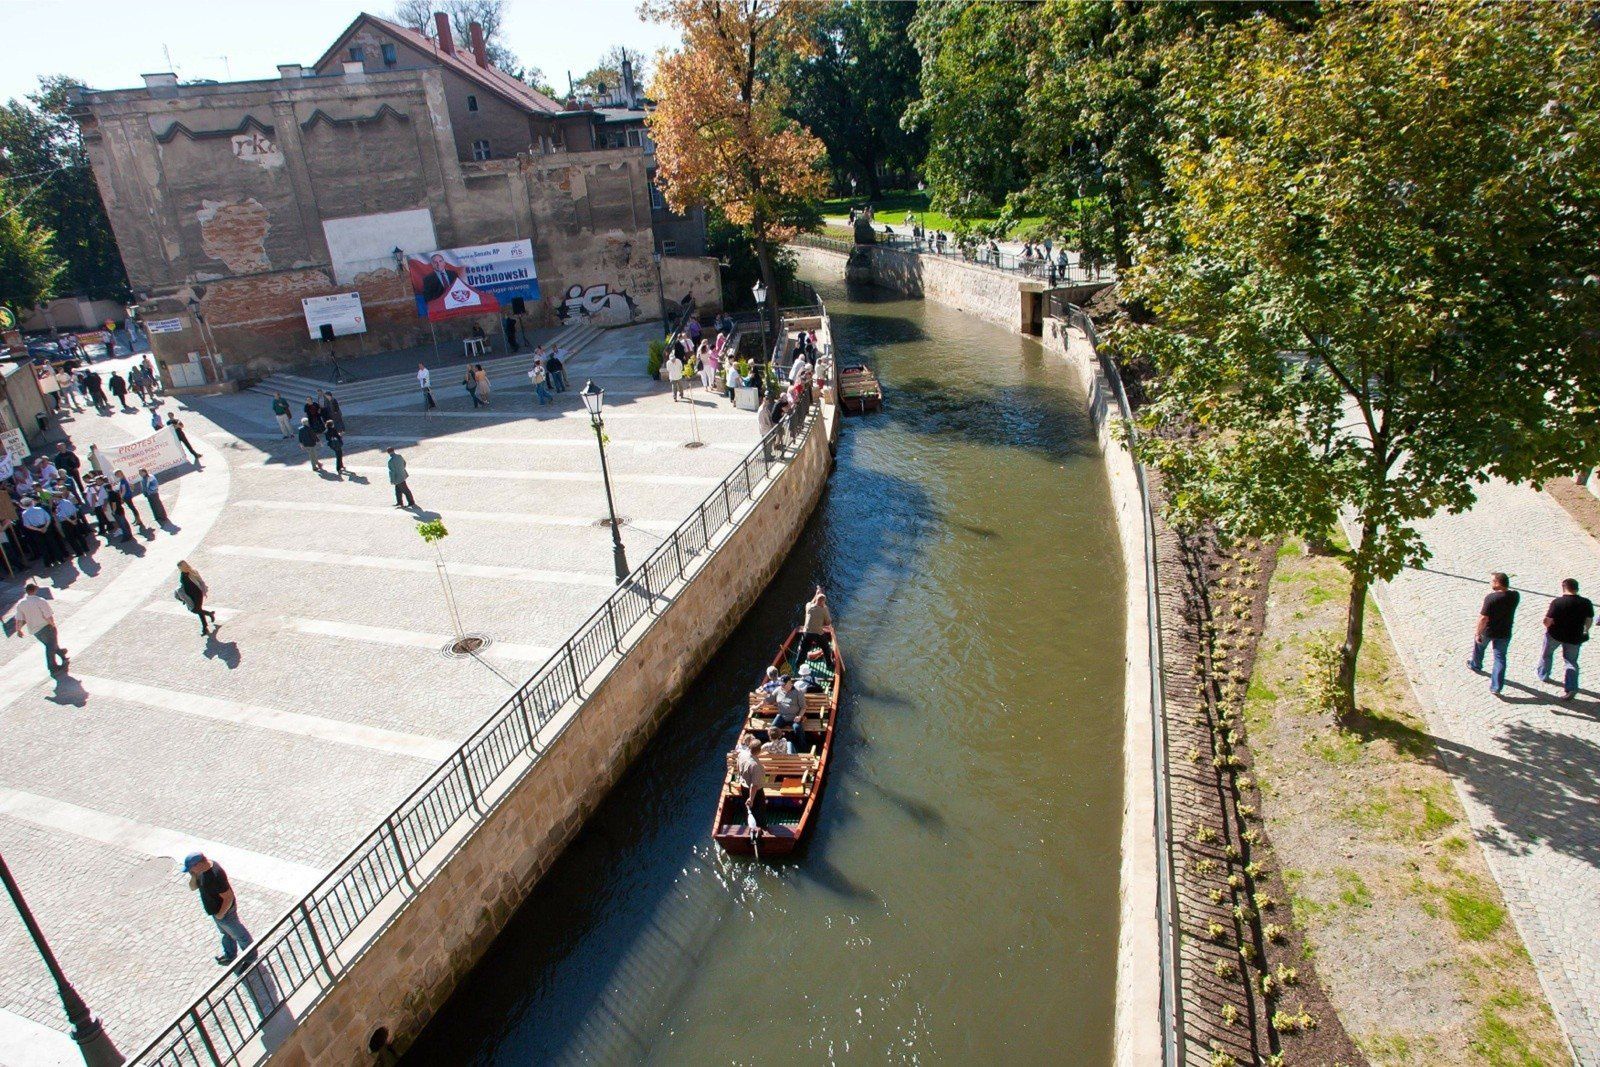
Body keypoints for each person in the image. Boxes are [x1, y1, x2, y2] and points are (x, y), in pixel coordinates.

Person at [181, 853, 253, 965]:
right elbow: (193, 887)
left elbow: (228, 897)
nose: (191, 871)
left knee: (241, 936)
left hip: (225, 912)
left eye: (191, 868)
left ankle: (250, 959)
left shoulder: (215, 875)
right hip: (216, 912)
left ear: (198, 864)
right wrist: (194, 875)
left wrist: (220, 914)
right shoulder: (200, 871)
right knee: (226, 933)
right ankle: (230, 956)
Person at [1538, 578, 1594, 701]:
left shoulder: (1557, 602)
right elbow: (1589, 621)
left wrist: (1547, 626)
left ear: (1564, 587)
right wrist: (1586, 630)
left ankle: (1544, 675)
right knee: (1571, 662)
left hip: (1555, 635)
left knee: (1546, 654)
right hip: (1575, 637)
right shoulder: (1586, 603)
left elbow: (1548, 621)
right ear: (1577, 588)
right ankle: (1571, 688)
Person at [1469, 571, 1519, 696]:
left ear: (1497, 583)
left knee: (1479, 647)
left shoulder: (1491, 598)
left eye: (1492, 580)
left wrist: (1477, 633)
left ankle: (1476, 664)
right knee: (1500, 658)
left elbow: (1483, 618)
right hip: (1505, 632)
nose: (1490, 583)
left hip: (1489, 631)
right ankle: (1496, 687)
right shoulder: (1515, 596)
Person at [10, 582, 68, 673]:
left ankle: (61, 653)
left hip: (35, 630)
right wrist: (52, 624)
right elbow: (47, 616)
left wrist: (18, 630)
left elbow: (19, 619)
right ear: (35, 590)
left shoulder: (21, 604)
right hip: (46, 626)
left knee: (50, 644)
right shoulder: (40, 601)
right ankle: (52, 667)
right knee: (50, 646)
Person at [175, 560, 219, 635]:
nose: (180, 569)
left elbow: (201, 581)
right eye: (179, 568)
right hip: (189, 595)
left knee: (195, 610)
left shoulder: (193, 572)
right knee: (198, 610)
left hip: (197, 593)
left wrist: (204, 590)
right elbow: (182, 585)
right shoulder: (182, 574)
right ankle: (206, 624)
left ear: (185, 565)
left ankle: (207, 620)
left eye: (181, 567)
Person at [734, 733, 766, 823]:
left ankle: (748, 823)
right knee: (759, 809)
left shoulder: (742, 754)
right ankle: (760, 826)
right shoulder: (755, 765)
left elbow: (738, 766)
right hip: (755, 792)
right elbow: (754, 785)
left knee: (747, 808)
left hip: (743, 786)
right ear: (759, 751)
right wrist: (751, 799)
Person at [799, 587, 832, 662]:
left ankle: (798, 664)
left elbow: (812, 602)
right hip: (818, 634)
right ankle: (829, 664)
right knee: (826, 648)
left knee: (802, 650)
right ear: (823, 602)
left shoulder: (808, 606)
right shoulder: (824, 609)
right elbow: (828, 623)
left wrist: (817, 594)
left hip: (806, 633)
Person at [113, 470, 150, 535]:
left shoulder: (123, 480)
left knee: (132, 508)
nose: (117, 475)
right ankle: (137, 519)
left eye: (117, 474)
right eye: (116, 474)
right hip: (128, 495)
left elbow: (123, 490)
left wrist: (121, 498)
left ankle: (138, 520)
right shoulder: (123, 479)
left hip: (127, 496)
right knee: (132, 508)